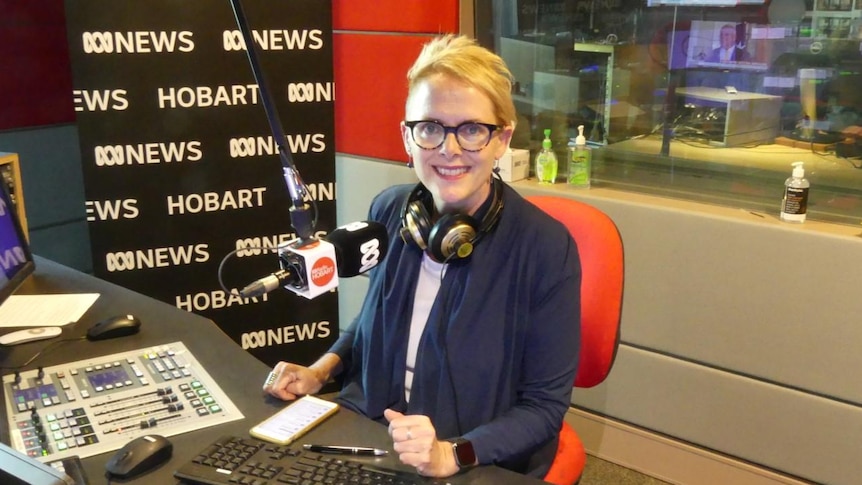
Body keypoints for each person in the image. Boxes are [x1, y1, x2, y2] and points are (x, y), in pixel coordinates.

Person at [263, 34, 581, 479]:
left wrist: (451, 454)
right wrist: (320, 371)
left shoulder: (545, 247)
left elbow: (544, 407)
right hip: (374, 434)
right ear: (407, 138)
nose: (449, 150)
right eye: (430, 128)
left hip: (473, 455)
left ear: (502, 139)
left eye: (471, 129)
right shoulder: (391, 212)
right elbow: (375, 322)